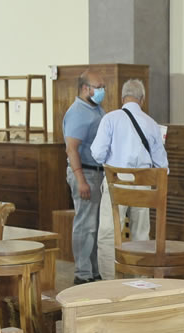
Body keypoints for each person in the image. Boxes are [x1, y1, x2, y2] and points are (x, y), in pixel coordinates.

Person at [90, 78, 168, 278]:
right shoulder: (151, 124)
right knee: (141, 234)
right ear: (142, 100)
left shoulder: (110, 118)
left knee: (109, 232)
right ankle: (140, 280)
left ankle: (108, 280)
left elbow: (97, 153)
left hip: (117, 179)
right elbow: (162, 166)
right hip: (144, 180)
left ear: (123, 98)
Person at [63, 69, 106, 285]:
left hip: (97, 172)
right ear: (85, 88)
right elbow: (72, 149)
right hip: (85, 172)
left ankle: (93, 270)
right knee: (85, 224)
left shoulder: (95, 108)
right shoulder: (78, 112)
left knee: (95, 226)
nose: (102, 91)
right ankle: (82, 272)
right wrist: (81, 180)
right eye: (98, 87)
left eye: (102, 87)